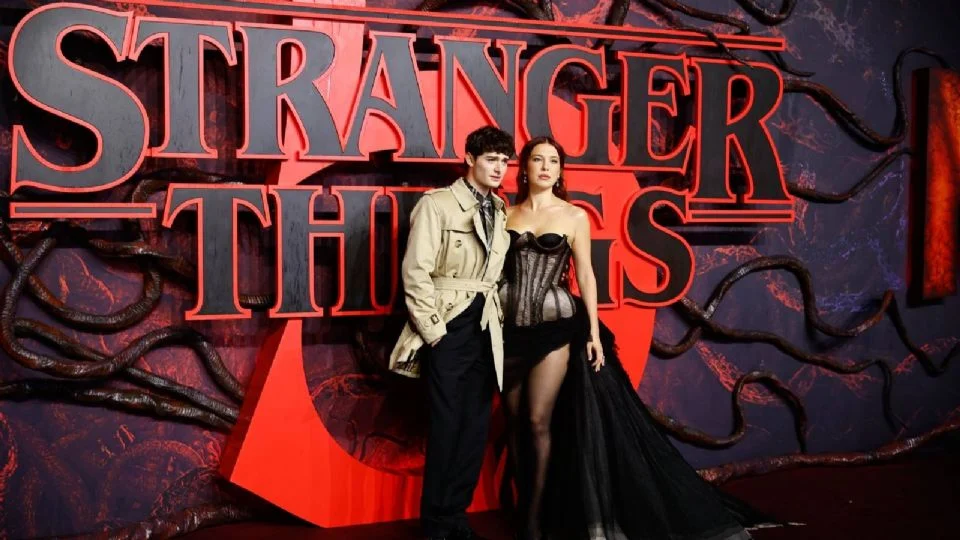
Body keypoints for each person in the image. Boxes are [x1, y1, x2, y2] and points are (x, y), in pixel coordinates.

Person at [499, 136, 765, 540]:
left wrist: (592, 331)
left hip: (556, 328)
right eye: (538, 159)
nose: (546, 167)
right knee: (514, 423)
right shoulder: (505, 214)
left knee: (537, 421)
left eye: (553, 160)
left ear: (561, 171)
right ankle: (525, 509)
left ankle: (533, 523)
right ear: (525, 168)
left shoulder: (573, 216)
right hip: (507, 330)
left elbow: (586, 275)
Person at [390, 126, 515, 540]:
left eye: (504, 161)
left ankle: (456, 518)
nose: (499, 168)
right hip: (450, 323)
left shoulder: (501, 209)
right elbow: (416, 272)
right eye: (491, 159)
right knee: (446, 425)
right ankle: (436, 525)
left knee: (475, 426)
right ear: (470, 159)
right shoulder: (438, 204)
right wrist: (435, 333)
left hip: (487, 325)